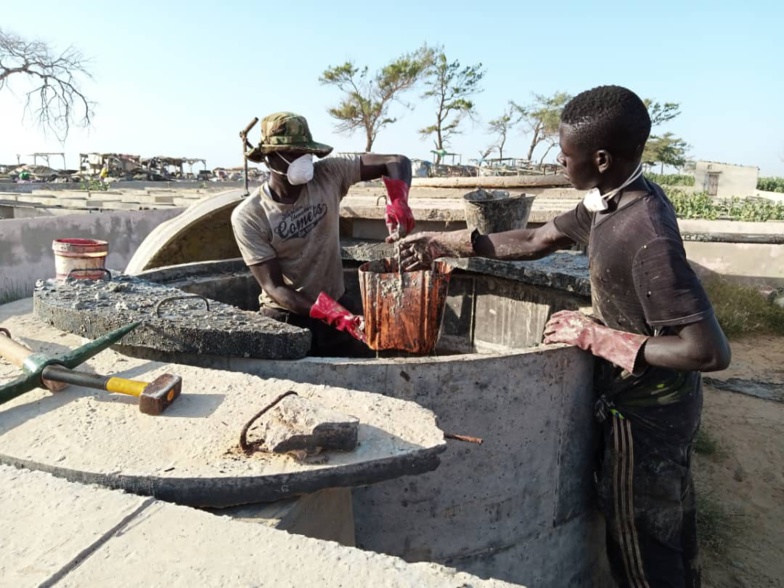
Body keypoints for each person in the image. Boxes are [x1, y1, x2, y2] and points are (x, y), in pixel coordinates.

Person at [399, 85, 731, 588]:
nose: (560, 159)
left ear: (600, 158)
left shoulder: (645, 233)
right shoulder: (608, 202)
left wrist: (599, 339)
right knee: (666, 523)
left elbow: (707, 350)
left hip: (648, 415)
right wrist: (444, 243)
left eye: (566, 154)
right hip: (647, 402)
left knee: (640, 540)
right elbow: (535, 240)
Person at [231, 111, 414, 356]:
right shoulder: (250, 215)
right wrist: (336, 316)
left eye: (306, 153)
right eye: (293, 154)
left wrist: (398, 201)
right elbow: (275, 287)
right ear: (268, 158)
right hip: (287, 317)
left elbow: (396, 161)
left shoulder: (329, 174)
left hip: (337, 302)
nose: (304, 161)